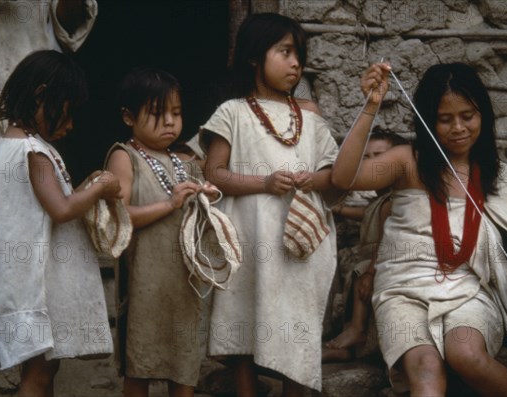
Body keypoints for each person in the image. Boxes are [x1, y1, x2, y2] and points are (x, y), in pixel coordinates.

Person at [331, 62, 507, 396]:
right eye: (445, 119)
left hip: (467, 292)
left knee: (466, 354)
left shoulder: (496, 174)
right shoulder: (406, 161)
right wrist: (370, 106)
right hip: (402, 292)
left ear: (483, 115)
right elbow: (342, 179)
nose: (458, 127)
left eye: (468, 116)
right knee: (426, 370)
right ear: (427, 120)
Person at [200, 13, 340, 396]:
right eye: (285, 52)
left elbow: (333, 177)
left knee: (297, 324)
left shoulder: (310, 119)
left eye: (300, 54)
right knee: (243, 319)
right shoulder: (233, 112)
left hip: (298, 242)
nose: (296, 63)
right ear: (253, 58)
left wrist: (312, 180)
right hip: (248, 236)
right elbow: (214, 173)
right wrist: (263, 182)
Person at [0, 50, 118, 397]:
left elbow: (50, 204)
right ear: (41, 95)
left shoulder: (20, 144)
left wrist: (86, 190)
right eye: (68, 111)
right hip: (34, 287)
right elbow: (61, 209)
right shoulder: (34, 151)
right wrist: (101, 186)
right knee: (38, 375)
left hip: (26, 281)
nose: (71, 124)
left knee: (46, 368)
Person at [0, 0, 98, 336]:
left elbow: (68, 25)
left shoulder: (36, 146)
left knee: (28, 242)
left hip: (31, 100)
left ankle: (12, 352)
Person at [105, 67, 218, 397]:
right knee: (140, 360)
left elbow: (193, 210)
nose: (170, 121)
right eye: (158, 113)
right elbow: (120, 216)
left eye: (177, 113)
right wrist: (170, 204)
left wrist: (204, 198)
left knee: (183, 361)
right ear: (128, 117)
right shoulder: (124, 157)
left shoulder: (184, 160)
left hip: (183, 282)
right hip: (144, 282)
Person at [324, 131, 408, 363]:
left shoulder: (397, 198)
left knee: (361, 271)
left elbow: (385, 240)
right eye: (366, 158)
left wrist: (371, 270)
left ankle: (357, 330)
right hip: (372, 257)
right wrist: (339, 210)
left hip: (383, 259)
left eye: (379, 156)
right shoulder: (379, 198)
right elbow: (367, 213)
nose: (373, 163)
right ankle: (347, 339)